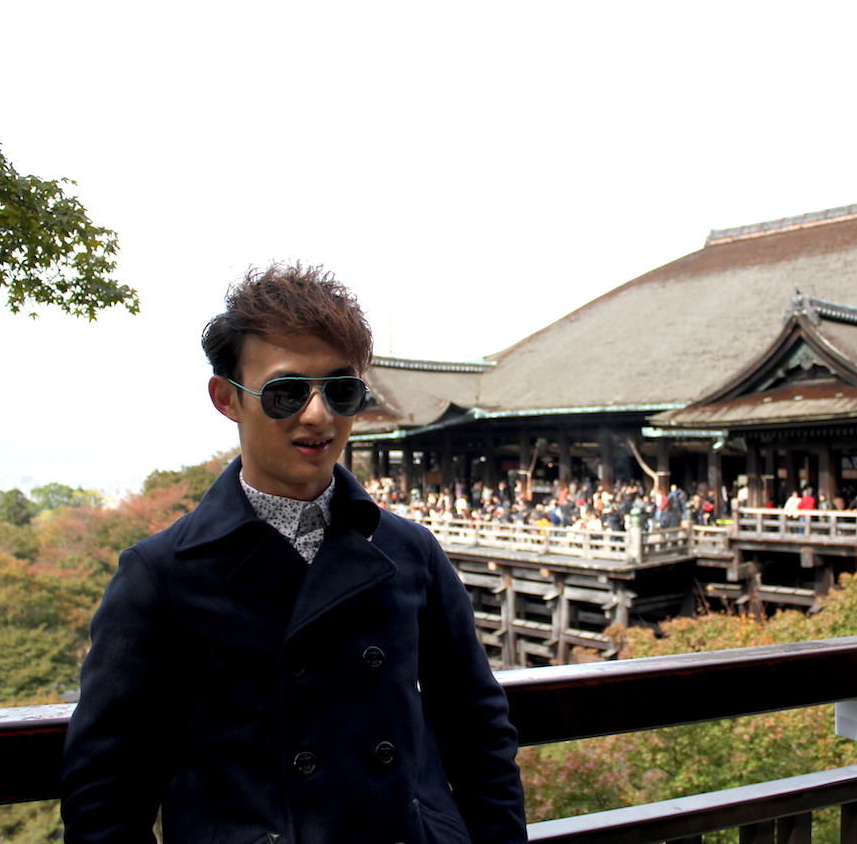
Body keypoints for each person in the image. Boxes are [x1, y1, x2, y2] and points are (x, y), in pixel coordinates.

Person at [61, 264, 526, 844]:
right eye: (286, 393)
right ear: (227, 398)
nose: (318, 415)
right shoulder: (161, 575)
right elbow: (106, 792)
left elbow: (477, 728)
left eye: (341, 390)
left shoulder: (411, 552)